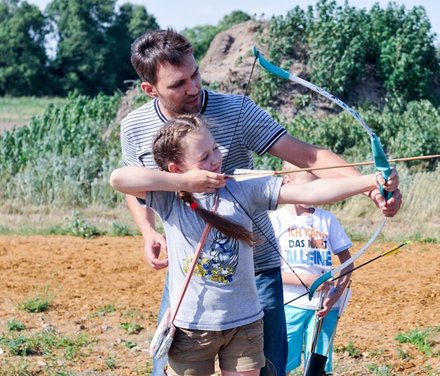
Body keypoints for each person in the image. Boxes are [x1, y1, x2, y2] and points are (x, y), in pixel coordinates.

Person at [120, 28, 402, 376]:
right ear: (150, 89)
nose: (193, 88)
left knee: (268, 369)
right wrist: (148, 230)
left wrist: (371, 187)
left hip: (257, 268)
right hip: (192, 275)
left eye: (195, 74)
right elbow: (132, 183)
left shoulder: (235, 110)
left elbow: (308, 157)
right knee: (166, 368)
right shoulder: (135, 127)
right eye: (178, 84)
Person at [269, 163, 354, 375]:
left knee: (317, 367)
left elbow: (348, 264)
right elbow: (268, 270)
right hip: (289, 305)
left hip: (325, 307)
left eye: (317, 186)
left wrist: (335, 296)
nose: (312, 193)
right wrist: (307, 280)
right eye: (307, 187)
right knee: (280, 365)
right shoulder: (275, 220)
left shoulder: (327, 220)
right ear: (287, 181)